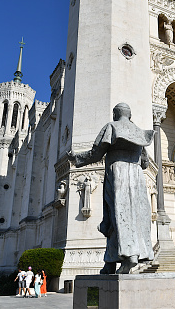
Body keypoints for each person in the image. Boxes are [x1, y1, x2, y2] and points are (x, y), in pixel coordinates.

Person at [67, 103, 154, 274]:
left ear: (115, 114)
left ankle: (130, 256)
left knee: (116, 215)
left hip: (117, 173)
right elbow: (144, 163)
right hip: (136, 178)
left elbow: (96, 154)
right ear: (129, 115)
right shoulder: (139, 132)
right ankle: (111, 262)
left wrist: (77, 159)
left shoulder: (111, 127)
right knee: (129, 216)